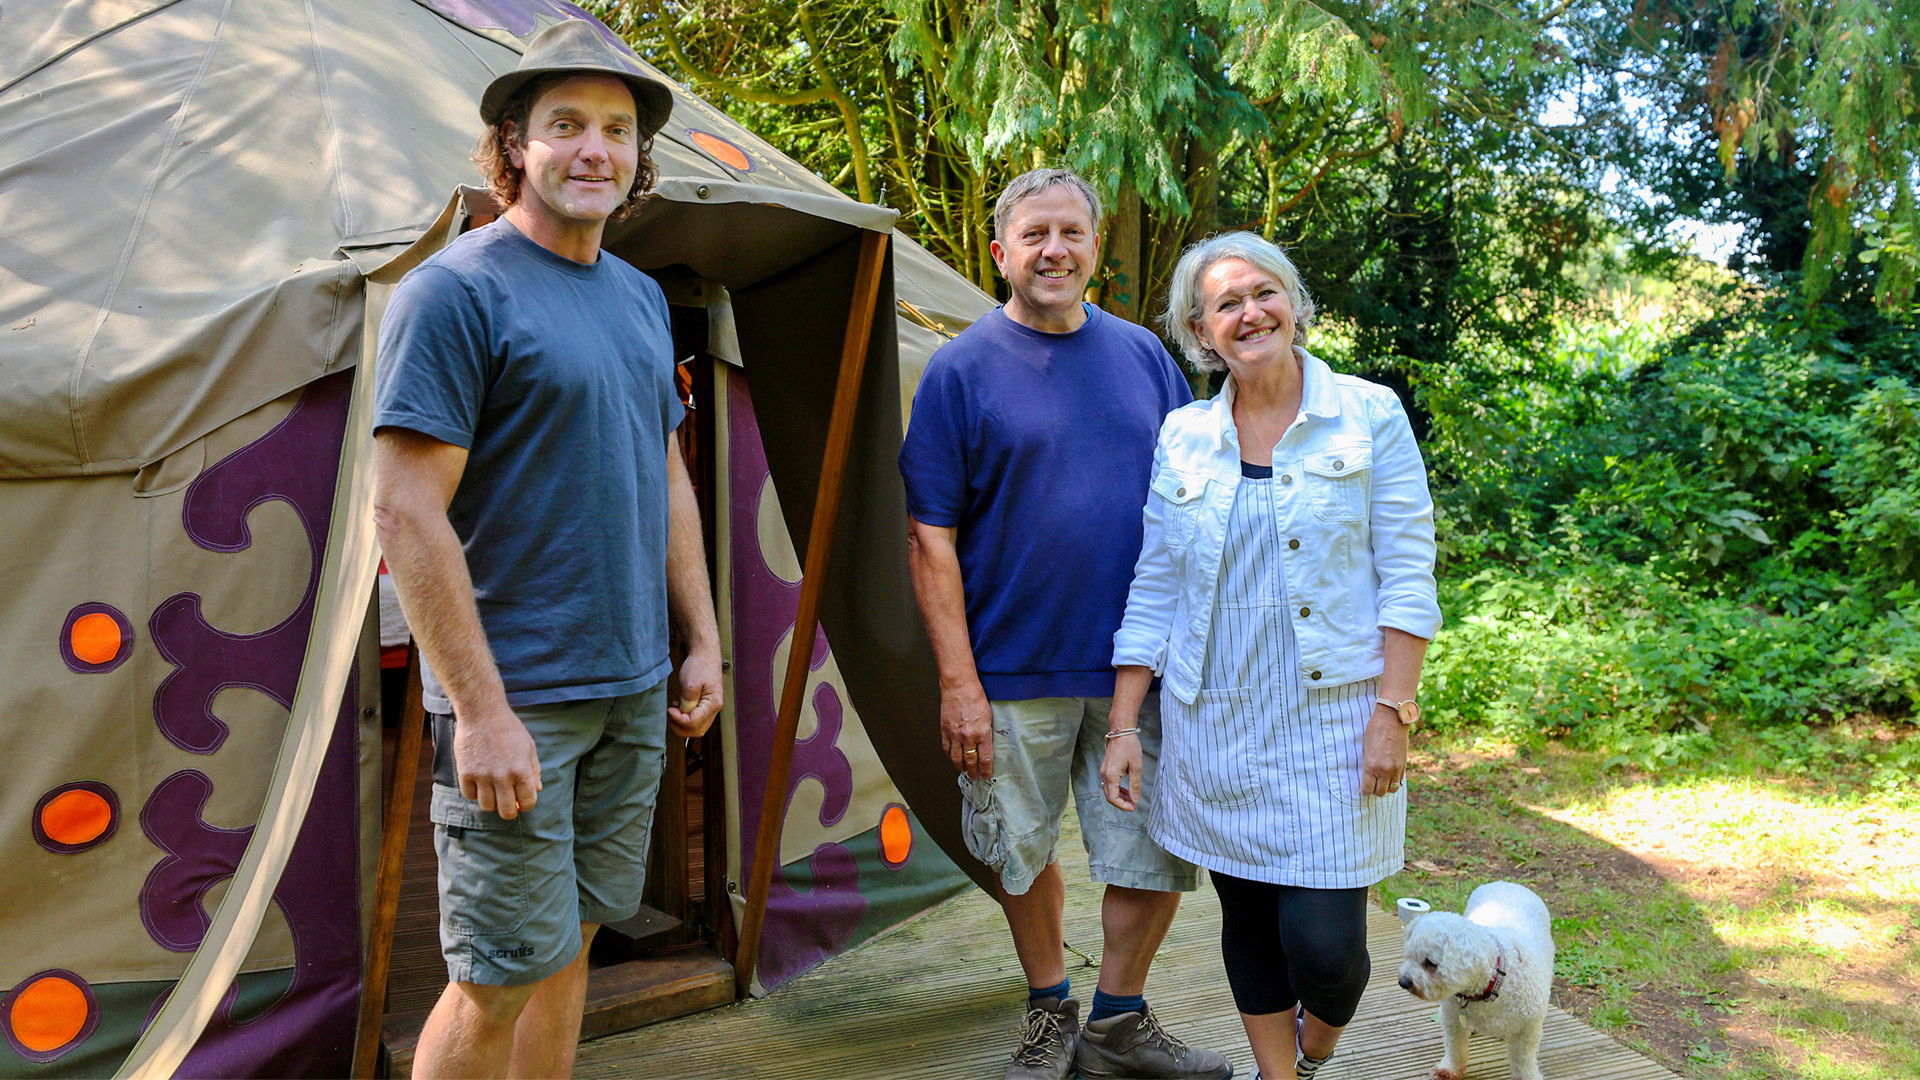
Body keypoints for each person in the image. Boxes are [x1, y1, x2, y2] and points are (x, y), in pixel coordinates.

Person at [371, 21, 722, 1079]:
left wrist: (700, 637)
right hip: (518, 695)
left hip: (631, 686)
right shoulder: (457, 291)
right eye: (565, 124)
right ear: (513, 144)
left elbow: (664, 474)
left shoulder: (638, 297)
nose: (594, 150)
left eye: (616, 130)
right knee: (495, 975)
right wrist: (478, 712)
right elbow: (405, 511)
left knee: (571, 943)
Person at [900, 168, 1231, 1080]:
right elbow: (930, 541)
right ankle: (1051, 1007)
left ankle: (1118, 1023)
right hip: (1010, 669)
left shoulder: (1145, 359)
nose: (1054, 251)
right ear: (1001, 252)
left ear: (1094, 251)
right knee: (1019, 849)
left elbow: (1198, 503)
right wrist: (959, 683)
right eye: (1034, 235)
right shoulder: (958, 371)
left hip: (1142, 671)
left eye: (1071, 235)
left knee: (1150, 853)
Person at [1102, 231, 1441, 1080]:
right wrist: (1120, 724)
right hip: (1213, 715)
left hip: (1334, 720)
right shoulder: (1183, 435)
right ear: (1201, 331)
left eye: (1263, 293)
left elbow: (1407, 572)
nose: (1249, 313)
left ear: (1292, 303)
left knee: (1325, 949)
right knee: (1248, 922)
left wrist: (1392, 711)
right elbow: (1155, 586)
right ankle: (1277, 1077)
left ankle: (1311, 1053)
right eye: (1226, 304)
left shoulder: (1368, 414)